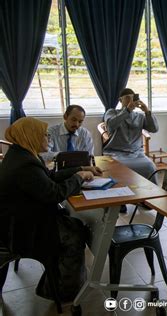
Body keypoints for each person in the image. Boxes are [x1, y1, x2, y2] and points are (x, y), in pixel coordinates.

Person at [0, 117, 102, 302]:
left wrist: (80, 168)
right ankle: (64, 292)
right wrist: (79, 178)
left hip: (19, 219)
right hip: (23, 229)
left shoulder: (21, 154)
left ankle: (60, 282)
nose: (48, 138)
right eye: (44, 135)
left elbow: (49, 176)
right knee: (75, 234)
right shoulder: (25, 164)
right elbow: (54, 194)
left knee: (74, 224)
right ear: (31, 136)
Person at [103, 88, 158, 181]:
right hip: (116, 152)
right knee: (119, 167)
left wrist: (147, 112)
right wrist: (127, 110)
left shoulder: (139, 116)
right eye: (128, 98)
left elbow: (154, 129)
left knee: (150, 166)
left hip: (136, 153)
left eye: (133, 98)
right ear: (120, 100)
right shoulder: (112, 112)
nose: (131, 100)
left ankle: (152, 192)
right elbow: (110, 125)